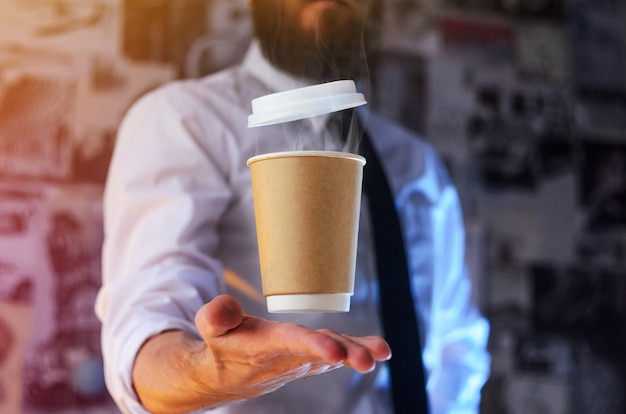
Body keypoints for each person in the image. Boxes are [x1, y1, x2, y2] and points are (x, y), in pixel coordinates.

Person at [95, 0, 491, 413]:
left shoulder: (416, 164)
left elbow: (457, 346)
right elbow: (146, 323)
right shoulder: (185, 121)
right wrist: (208, 373)